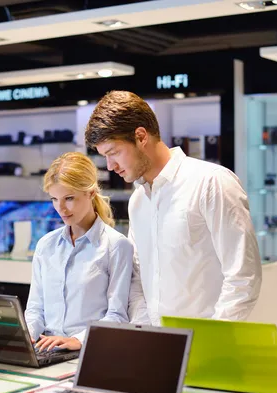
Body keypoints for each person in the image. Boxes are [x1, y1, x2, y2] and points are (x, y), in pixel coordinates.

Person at [84, 90, 262, 325]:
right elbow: (138, 279)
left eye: (113, 153)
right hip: (159, 348)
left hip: (210, 347)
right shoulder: (138, 201)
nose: (110, 166)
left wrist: (213, 339)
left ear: (140, 136)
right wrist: (146, 332)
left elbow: (243, 276)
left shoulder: (211, 182)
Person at [25, 152, 133, 352]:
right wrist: (25, 337)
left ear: (91, 193)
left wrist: (78, 340)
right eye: (55, 199)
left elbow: (117, 316)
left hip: (90, 351)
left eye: (69, 198)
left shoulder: (116, 246)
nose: (61, 208)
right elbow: (35, 309)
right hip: (46, 351)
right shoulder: (45, 245)